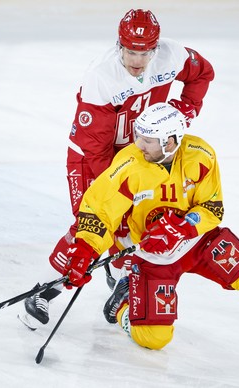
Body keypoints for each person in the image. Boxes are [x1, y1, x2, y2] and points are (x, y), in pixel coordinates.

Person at [58, 102, 239, 368]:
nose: (138, 144)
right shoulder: (128, 164)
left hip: (199, 242)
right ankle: (122, 306)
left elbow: (212, 207)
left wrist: (185, 226)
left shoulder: (201, 155)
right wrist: (85, 250)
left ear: (170, 141)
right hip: (154, 257)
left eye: (147, 140)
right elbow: (99, 211)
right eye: (138, 136)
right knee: (155, 339)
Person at [19, 8, 215, 329]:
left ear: (156, 47)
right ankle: (42, 291)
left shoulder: (172, 56)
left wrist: (184, 110)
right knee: (92, 224)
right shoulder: (101, 77)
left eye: (145, 52)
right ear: (119, 45)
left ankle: (121, 277)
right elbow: (96, 149)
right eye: (130, 51)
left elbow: (202, 73)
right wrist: (120, 191)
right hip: (90, 156)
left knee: (136, 222)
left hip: (139, 154)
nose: (137, 60)